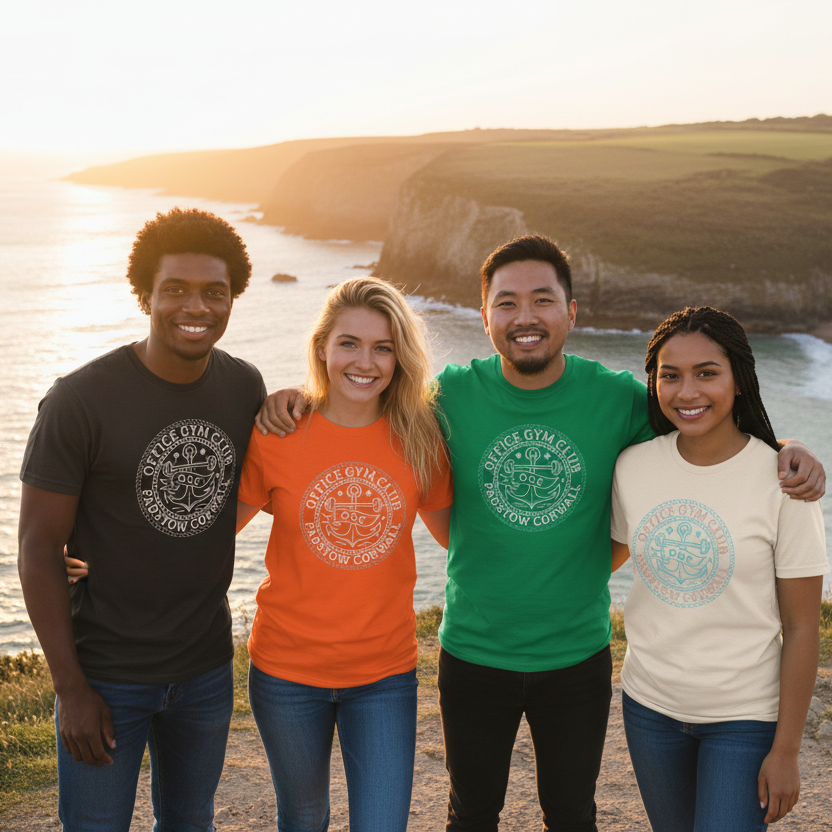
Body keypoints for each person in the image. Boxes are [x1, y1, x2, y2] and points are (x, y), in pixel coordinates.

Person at [255, 235, 825, 832]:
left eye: (542, 300)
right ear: (485, 316)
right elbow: (367, 416)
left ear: (571, 312)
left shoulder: (618, 398)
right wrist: (294, 397)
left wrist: (786, 448)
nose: (524, 318)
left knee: (572, 815)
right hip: (474, 652)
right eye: (506, 303)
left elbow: (704, 421)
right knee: (471, 814)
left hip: (576, 656)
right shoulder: (445, 398)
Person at [18, 208, 266, 832]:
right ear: (144, 295)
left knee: (190, 821)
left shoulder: (244, 387)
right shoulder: (79, 401)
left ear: (233, 297)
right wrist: (69, 688)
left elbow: (227, 498)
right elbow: (38, 545)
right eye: (176, 289)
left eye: (215, 292)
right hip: (106, 675)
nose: (197, 306)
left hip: (205, 668)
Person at [236, 277, 453, 832]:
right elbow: (207, 535)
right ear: (322, 349)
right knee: (304, 818)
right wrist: (99, 551)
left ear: (400, 358)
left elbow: (460, 538)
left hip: (384, 674)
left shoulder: (420, 437)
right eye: (349, 344)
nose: (366, 361)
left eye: (383, 347)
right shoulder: (278, 432)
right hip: (286, 672)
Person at [610, 306, 828, 831]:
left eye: (707, 373)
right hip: (648, 708)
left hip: (745, 718)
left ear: (739, 379)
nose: (688, 392)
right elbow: (601, 559)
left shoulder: (784, 483)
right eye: (670, 375)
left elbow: (802, 627)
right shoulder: (632, 466)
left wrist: (787, 751)